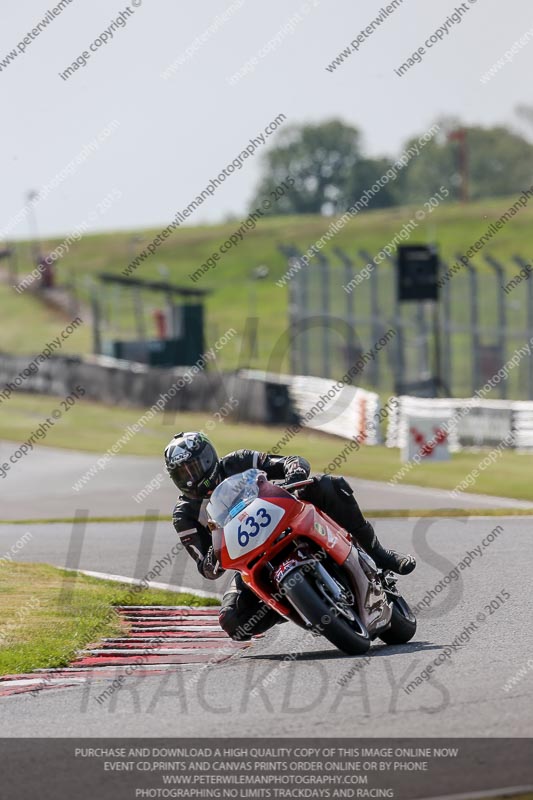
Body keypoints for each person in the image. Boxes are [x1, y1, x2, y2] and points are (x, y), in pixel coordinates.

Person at [165, 431, 415, 641]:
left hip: (282, 518)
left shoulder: (238, 461)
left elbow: (292, 461)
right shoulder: (183, 515)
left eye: (193, 468)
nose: (190, 478)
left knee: (328, 485)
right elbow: (207, 569)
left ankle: (379, 554)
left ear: (208, 459)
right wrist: (215, 544)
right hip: (251, 558)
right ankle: (295, 603)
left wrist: (294, 474)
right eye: (182, 474)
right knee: (232, 622)